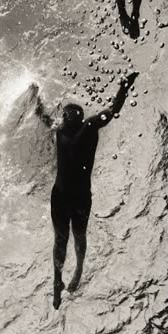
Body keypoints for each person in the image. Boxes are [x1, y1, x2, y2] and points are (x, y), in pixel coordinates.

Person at [51, 72, 139, 309]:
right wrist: (34, 96)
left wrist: (124, 86)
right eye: (65, 113)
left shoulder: (89, 126)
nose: (65, 116)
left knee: (78, 236)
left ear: (77, 116)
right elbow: (42, 117)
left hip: (80, 197)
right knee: (61, 238)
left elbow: (113, 109)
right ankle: (57, 280)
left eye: (69, 113)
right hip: (59, 195)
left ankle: (78, 268)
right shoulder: (59, 129)